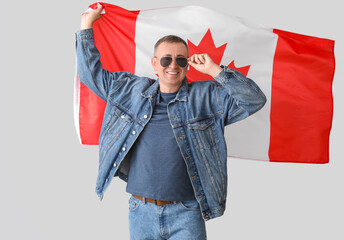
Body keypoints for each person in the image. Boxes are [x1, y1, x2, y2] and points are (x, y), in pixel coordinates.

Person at [76, 4, 266, 240]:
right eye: (166, 59)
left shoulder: (206, 96)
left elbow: (254, 101)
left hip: (186, 212)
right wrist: (86, 26)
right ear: (155, 64)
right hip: (140, 211)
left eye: (180, 60)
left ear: (187, 64)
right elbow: (90, 75)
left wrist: (214, 70)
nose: (172, 65)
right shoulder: (130, 90)